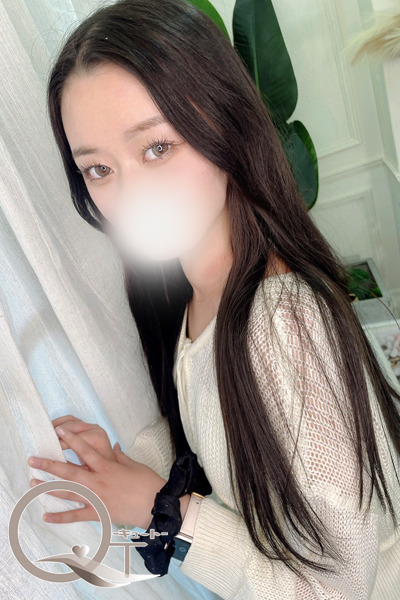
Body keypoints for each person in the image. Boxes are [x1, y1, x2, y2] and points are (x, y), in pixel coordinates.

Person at [27, 0, 400, 597]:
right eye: (98, 169)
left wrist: (163, 510)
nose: (129, 194)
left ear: (224, 126)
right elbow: (217, 428)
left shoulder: (283, 326)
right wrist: (128, 464)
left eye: (156, 148)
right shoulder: (197, 293)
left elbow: (337, 590)